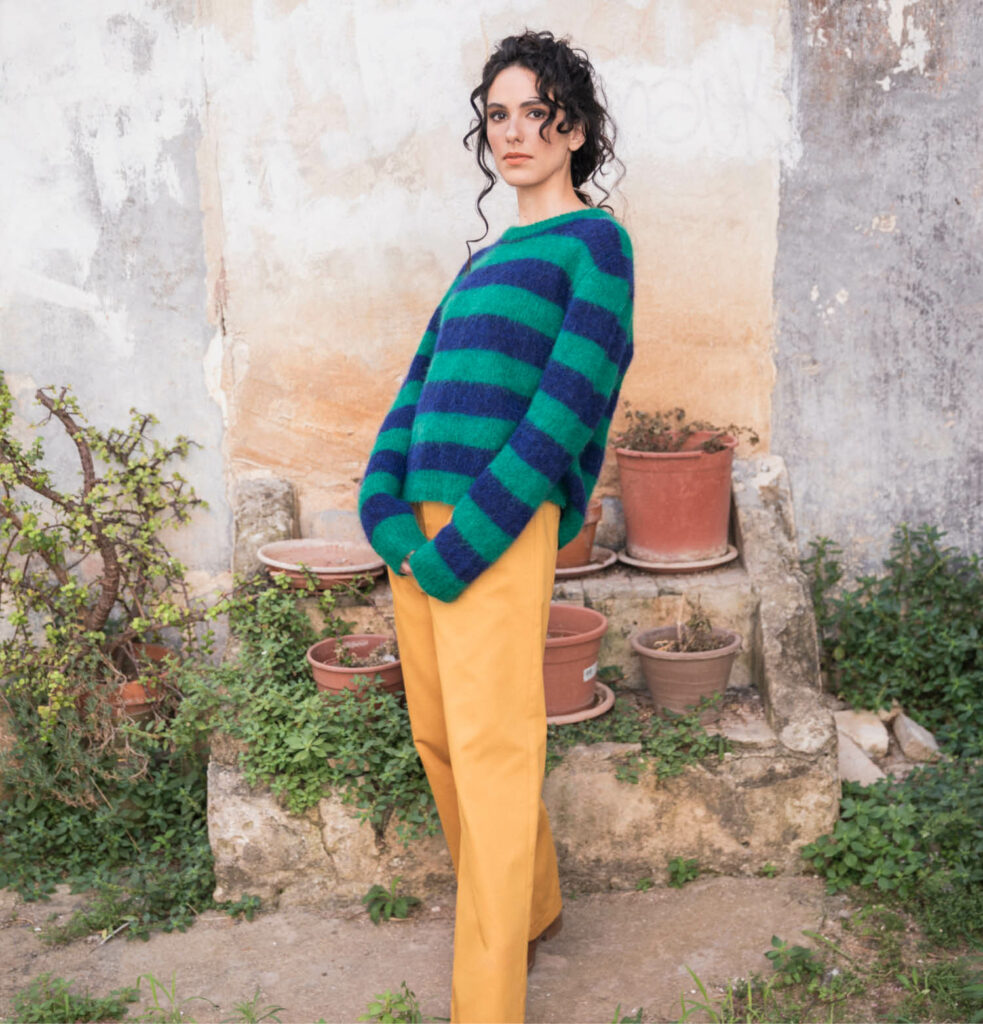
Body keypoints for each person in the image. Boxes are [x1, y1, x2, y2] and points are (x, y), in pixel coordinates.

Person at [358, 29, 634, 1024]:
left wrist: (467, 540)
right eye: (498, 114)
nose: (513, 132)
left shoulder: (593, 246)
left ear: (575, 128)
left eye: (536, 112)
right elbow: (415, 390)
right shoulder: (482, 262)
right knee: (439, 736)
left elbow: (566, 404)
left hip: (495, 530)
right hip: (423, 536)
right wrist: (384, 509)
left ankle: (485, 1002)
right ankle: (535, 906)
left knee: (491, 747)